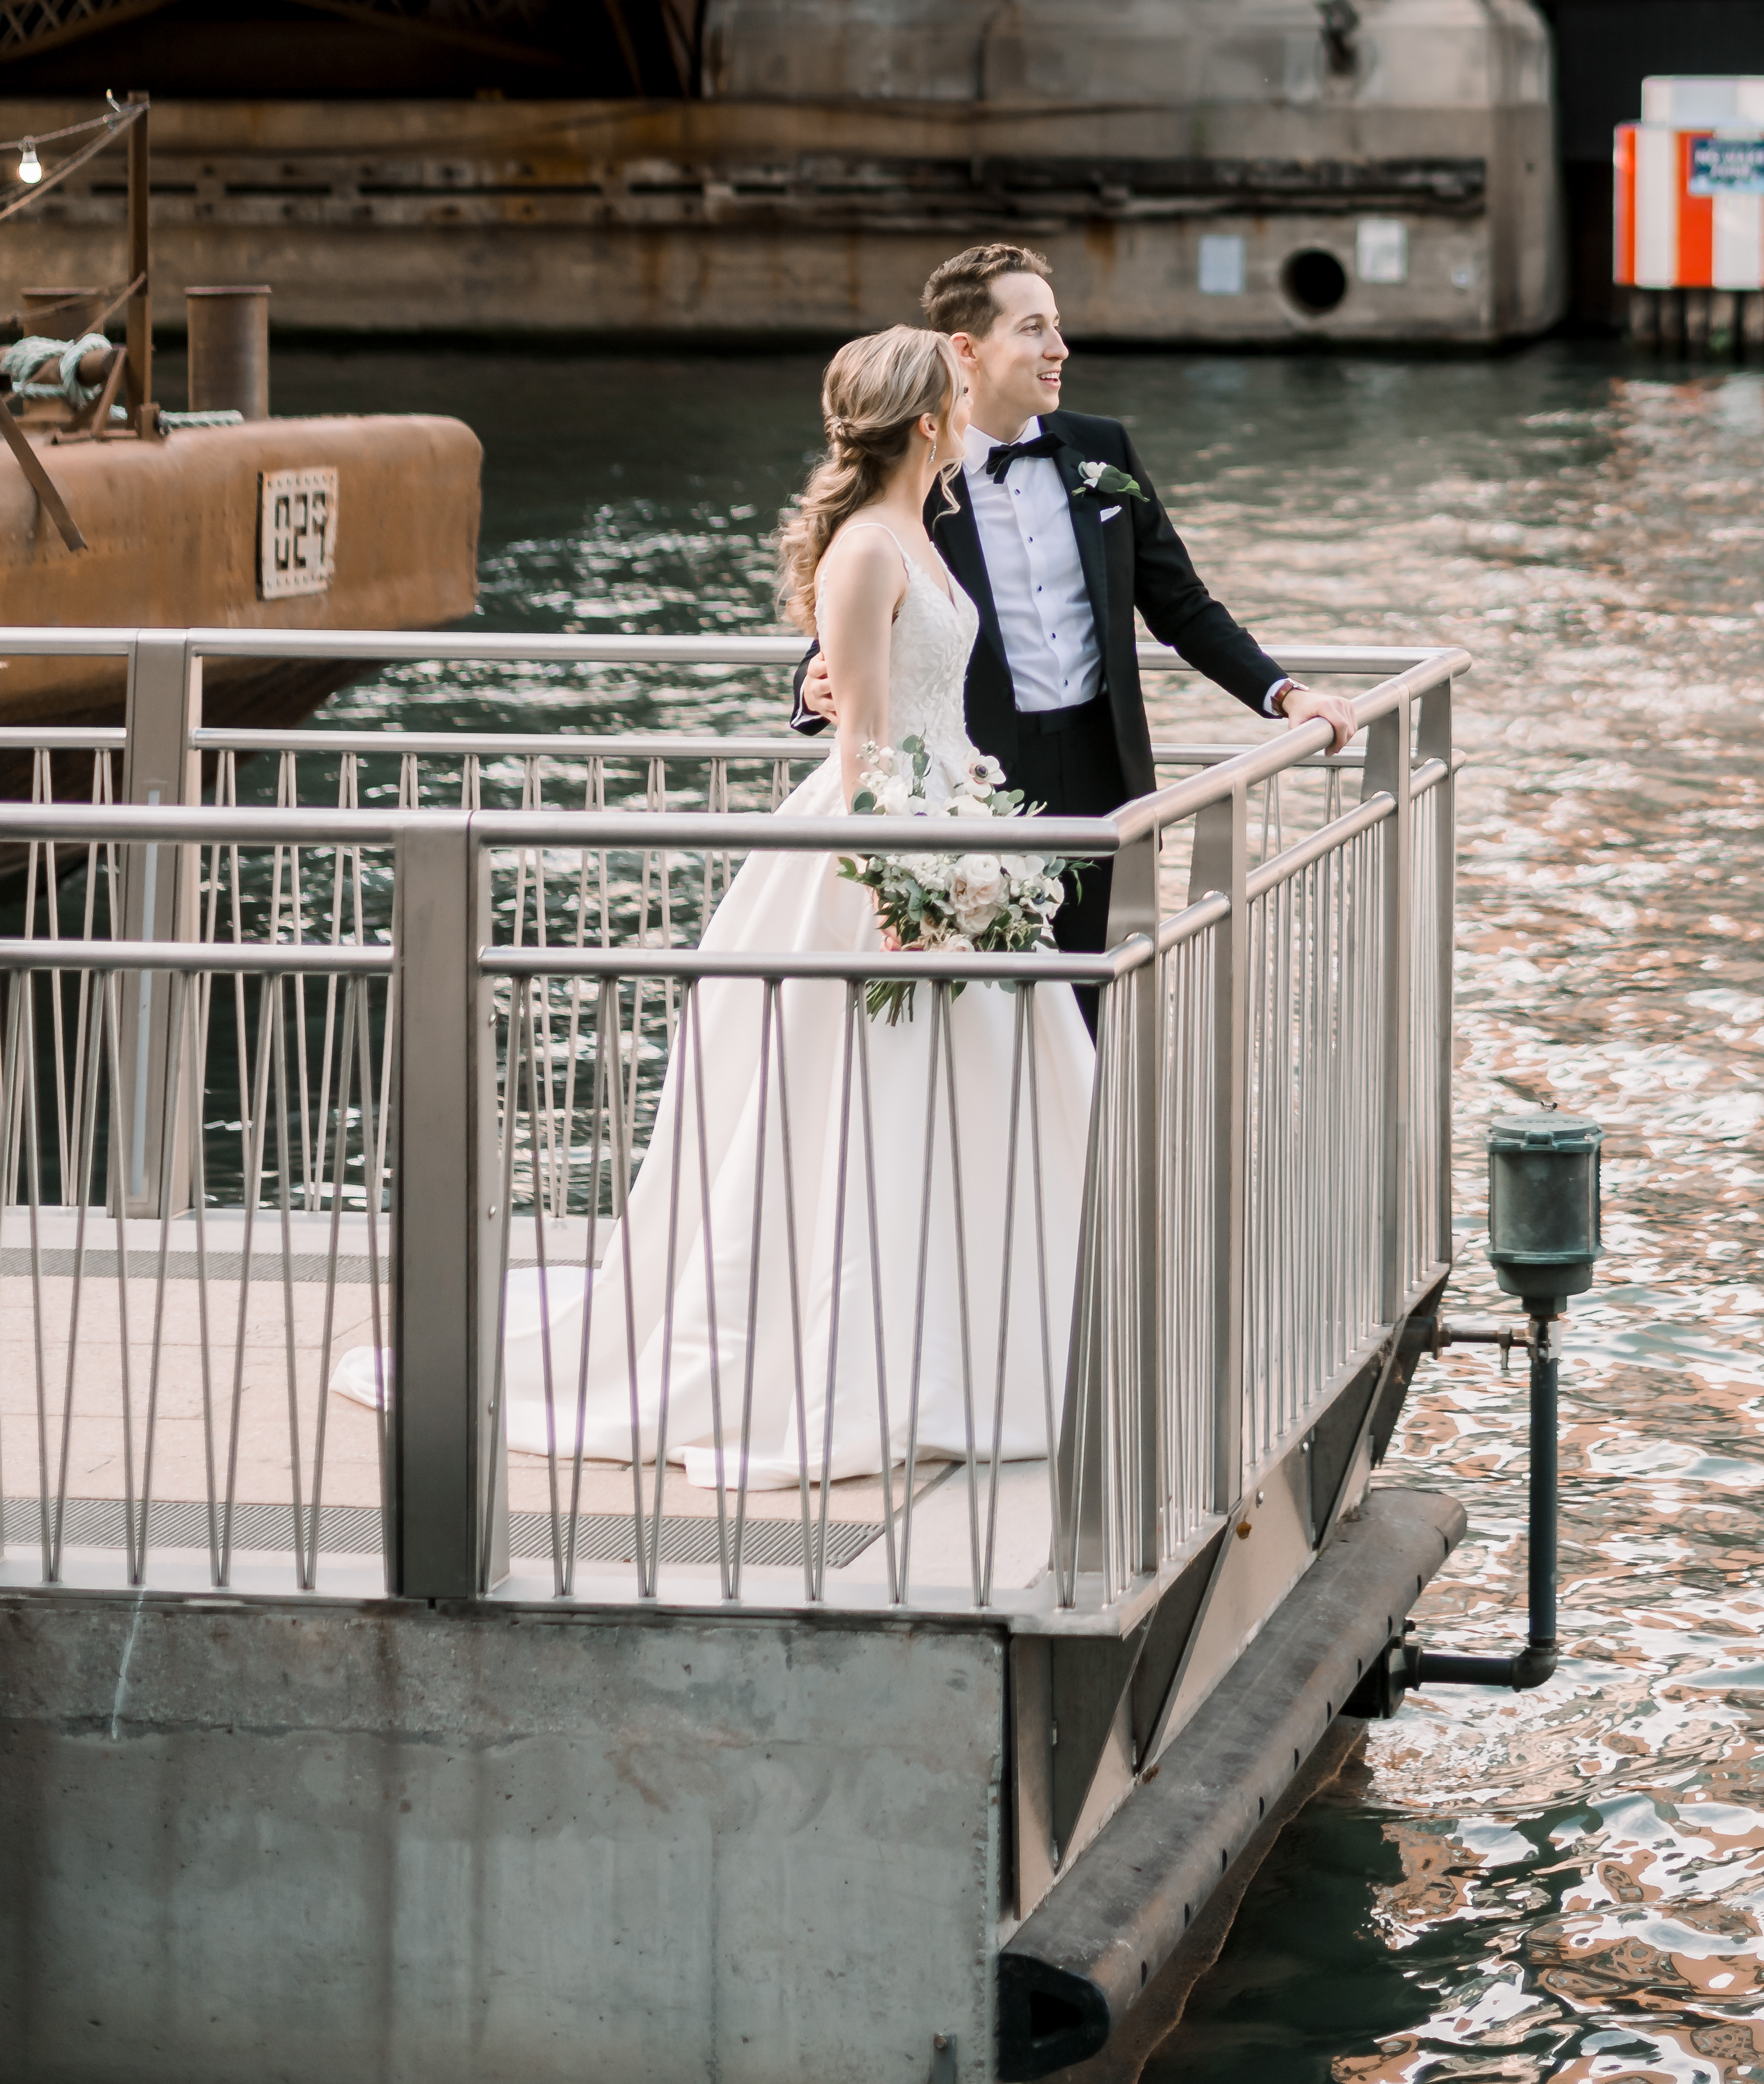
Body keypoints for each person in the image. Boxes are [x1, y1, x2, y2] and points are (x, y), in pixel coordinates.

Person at [483, 325, 1098, 1488]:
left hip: (947, 824)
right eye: (959, 399)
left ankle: (990, 1351)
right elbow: (862, 742)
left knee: (975, 1104)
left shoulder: (917, 527)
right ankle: (863, 1367)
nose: (975, 414)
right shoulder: (870, 548)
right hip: (882, 854)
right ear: (928, 422)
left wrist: (964, 832)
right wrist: (897, 880)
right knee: (859, 1118)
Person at [796, 241, 1359, 970]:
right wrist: (814, 685)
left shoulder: (1105, 449)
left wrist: (1285, 694)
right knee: (983, 992)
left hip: (1104, 771)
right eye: (1033, 328)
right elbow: (866, 603)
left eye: (1056, 324)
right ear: (966, 349)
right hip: (978, 773)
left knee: (1100, 994)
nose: (1059, 348)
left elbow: (1181, 603)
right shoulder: (917, 471)